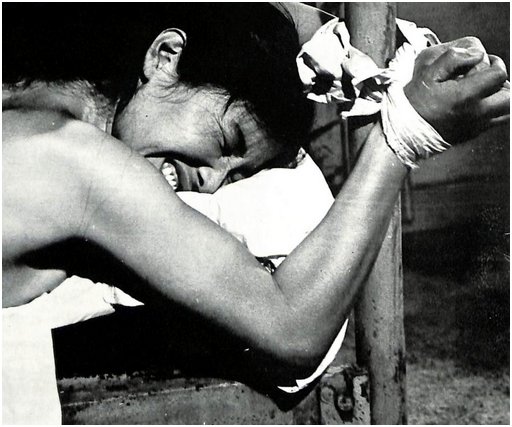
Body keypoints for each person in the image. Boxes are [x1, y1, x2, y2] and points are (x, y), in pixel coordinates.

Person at [3, 0, 509, 411]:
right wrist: (403, 133)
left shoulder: (31, 98)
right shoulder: (81, 163)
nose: (211, 182)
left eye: (238, 175)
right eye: (226, 141)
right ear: (165, 56)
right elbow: (292, 329)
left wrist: (349, 42)